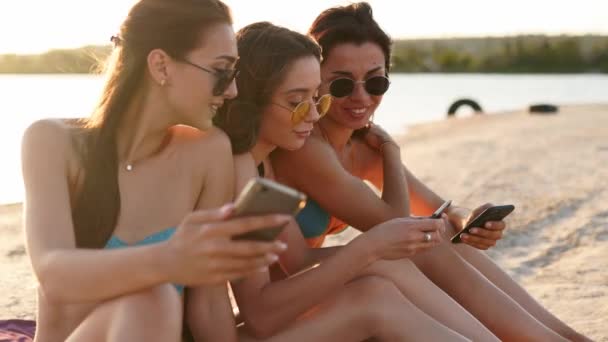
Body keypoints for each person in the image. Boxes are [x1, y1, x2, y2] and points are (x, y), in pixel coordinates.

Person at [271, 2, 591, 341]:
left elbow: (438, 207)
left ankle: (567, 337)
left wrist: (468, 221)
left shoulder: (361, 146)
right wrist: (392, 153)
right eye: (341, 85)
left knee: (438, 232)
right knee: (416, 243)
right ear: (313, 80)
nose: (361, 96)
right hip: (293, 297)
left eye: (376, 82)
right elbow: (392, 226)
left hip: (326, 282)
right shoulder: (304, 148)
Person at [215, 21, 503, 342]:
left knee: (381, 280)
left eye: (316, 99)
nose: (312, 116)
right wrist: (369, 248)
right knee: (376, 292)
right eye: (298, 102)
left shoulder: (262, 164)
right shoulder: (240, 168)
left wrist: (373, 251)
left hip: (245, 321)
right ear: (253, 97)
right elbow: (261, 317)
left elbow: (296, 261)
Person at [21, 1, 289, 340]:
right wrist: (169, 259)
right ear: (161, 65)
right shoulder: (54, 143)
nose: (232, 90)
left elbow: (208, 304)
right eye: (222, 71)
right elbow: (53, 273)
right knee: (153, 297)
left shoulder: (210, 152)